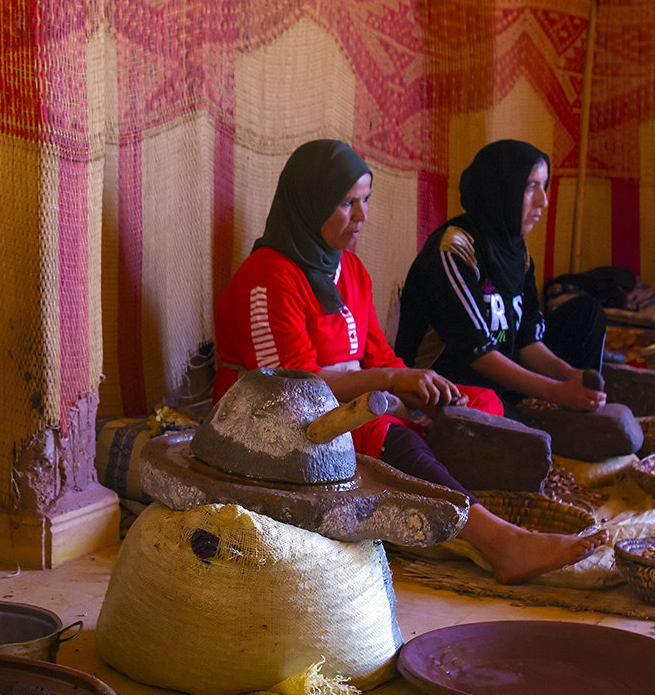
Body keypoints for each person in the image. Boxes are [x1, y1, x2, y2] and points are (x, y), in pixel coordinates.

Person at [212, 138, 604, 584]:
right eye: (346, 203)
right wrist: (391, 383)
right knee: (379, 428)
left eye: (364, 201)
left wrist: (417, 389)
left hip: (350, 405)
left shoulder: (351, 272)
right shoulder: (269, 276)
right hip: (273, 421)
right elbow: (291, 389)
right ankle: (500, 541)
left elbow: (379, 354)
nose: (361, 216)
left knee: (478, 404)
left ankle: (453, 511)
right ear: (310, 201)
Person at [396, 138, 608, 413]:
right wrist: (555, 391)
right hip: (447, 385)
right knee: (525, 435)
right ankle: (534, 409)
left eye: (543, 187)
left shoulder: (516, 252)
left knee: (587, 313)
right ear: (502, 190)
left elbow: (524, 340)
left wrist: (567, 375)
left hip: (495, 375)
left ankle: (561, 403)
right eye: (531, 187)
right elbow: (476, 353)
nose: (543, 201)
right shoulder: (453, 250)